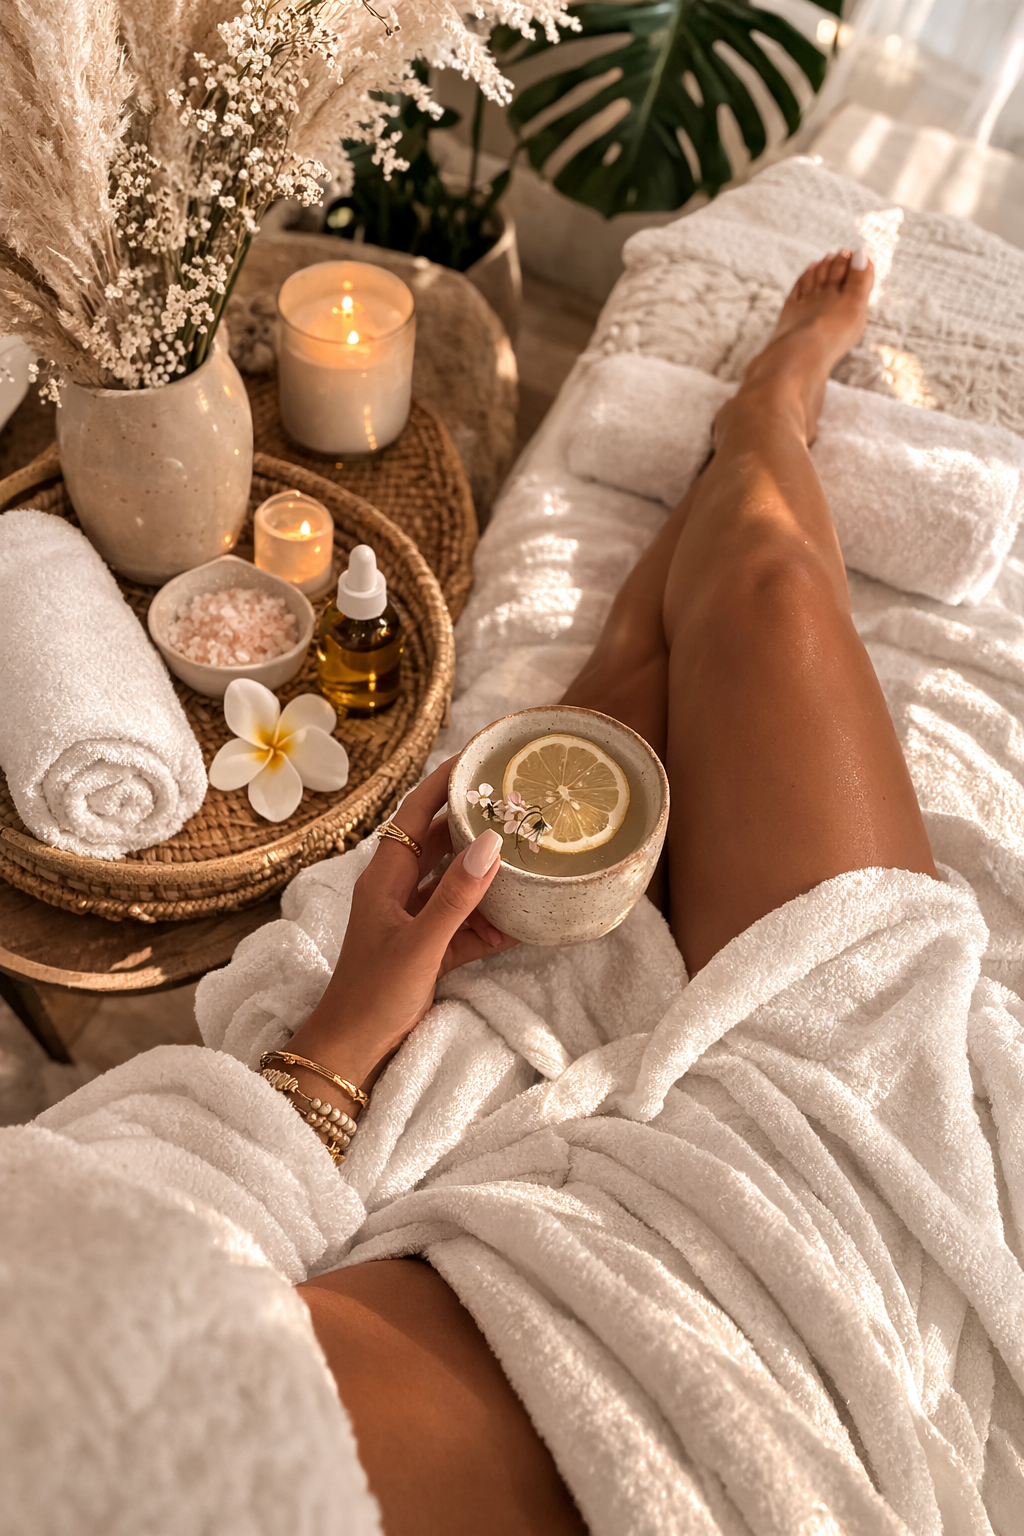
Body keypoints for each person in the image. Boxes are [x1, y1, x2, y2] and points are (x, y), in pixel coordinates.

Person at [281, 248, 937, 1534]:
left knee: (668, 656)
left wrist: (342, 1033)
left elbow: (169, 1188)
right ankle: (758, 423)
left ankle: (762, 407)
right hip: (787, 1251)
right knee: (760, 587)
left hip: (445, 1156)